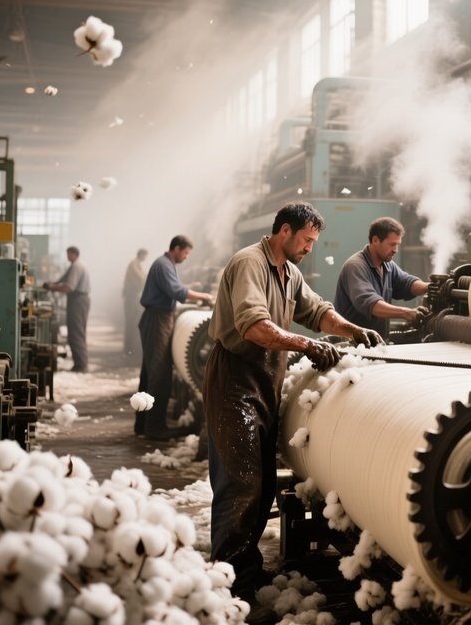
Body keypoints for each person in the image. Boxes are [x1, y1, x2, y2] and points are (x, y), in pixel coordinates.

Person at [202, 202, 382, 606]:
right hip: (235, 377)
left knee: (262, 480)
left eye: (314, 242)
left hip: (266, 377)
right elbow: (253, 326)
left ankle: (242, 565)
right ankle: (229, 577)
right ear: (284, 231)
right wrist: (306, 345)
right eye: (306, 240)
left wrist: (352, 330)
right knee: (241, 481)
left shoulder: (289, 272)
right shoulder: (250, 263)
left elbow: (316, 311)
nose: (309, 248)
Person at [136, 234, 213, 440]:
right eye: (186, 253)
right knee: (158, 374)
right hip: (157, 320)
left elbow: (175, 288)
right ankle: (155, 428)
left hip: (159, 317)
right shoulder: (163, 265)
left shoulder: (168, 265)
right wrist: (203, 296)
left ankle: (143, 425)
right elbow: (175, 290)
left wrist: (191, 288)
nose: (187, 257)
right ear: (176, 249)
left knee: (149, 373)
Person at [334, 216, 429, 340]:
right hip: (351, 345)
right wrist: (406, 313)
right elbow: (370, 304)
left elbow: (407, 283)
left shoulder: (387, 265)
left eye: (398, 244)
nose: (395, 250)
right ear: (375, 240)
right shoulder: (356, 266)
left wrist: (431, 286)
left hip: (374, 344)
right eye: (392, 244)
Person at [43, 246, 91, 372]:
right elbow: (63, 280)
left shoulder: (76, 266)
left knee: (76, 333)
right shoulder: (77, 265)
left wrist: (52, 288)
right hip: (79, 300)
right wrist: (52, 284)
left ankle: (81, 365)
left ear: (73, 254)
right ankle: (81, 363)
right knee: (78, 331)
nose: (67, 256)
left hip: (78, 300)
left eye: (68, 254)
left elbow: (69, 287)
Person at [122, 248, 148, 358]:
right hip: (131, 296)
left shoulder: (136, 264)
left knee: (132, 322)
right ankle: (128, 349)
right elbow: (142, 278)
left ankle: (129, 348)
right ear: (141, 255)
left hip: (133, 295)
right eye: (145, 256)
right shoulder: (134, 264)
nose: (146, 258)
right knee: (131, 322)